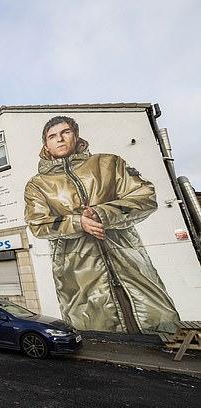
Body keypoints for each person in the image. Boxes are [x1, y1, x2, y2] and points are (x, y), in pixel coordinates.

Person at [24, 116, 180, 333]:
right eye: (52, 136)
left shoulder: (108, 163)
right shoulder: (38, 185)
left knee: (161, 330)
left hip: (131, 264)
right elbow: (37, 224)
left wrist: (102, 213)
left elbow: (145, 196)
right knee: (96, 337)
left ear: (76, 136)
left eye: (65, 132)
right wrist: (78, 222)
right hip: (78, 278)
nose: (59, 139)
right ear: (46, 146)